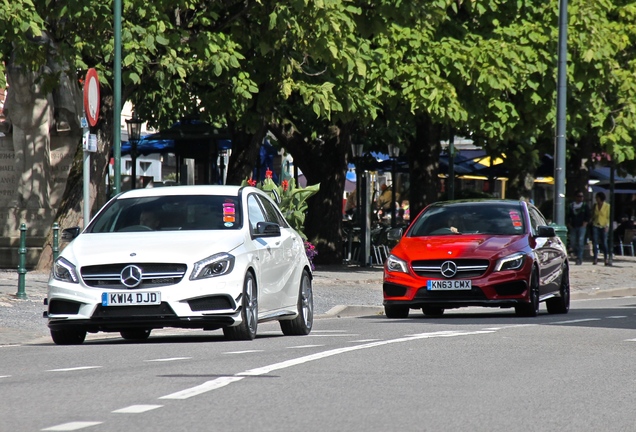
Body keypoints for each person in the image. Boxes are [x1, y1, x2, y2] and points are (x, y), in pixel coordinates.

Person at [566, 190, 590, 265]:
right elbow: (568, 215)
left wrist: (585, 223)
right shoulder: (571, 206)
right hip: (573, 226)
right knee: (573, 242)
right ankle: (576, 253)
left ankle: (579, 258)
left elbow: (588, 215)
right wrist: (568, 224)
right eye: (579, 196)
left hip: (582, 226)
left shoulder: (585, 206)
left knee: (580, 241)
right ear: (576, 197)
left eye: (582, 196)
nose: (581, 198)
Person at [591, 191, 610, 266]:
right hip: (596, 225)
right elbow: (593, 215)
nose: (596, 199)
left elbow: (608, 217)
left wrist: (607, 226)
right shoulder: (595, 206)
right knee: (595, 242)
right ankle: (595, 258)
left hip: (603, 225)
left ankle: (606, 258)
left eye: (597, 197)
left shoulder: (607, 206)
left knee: (604, 243)